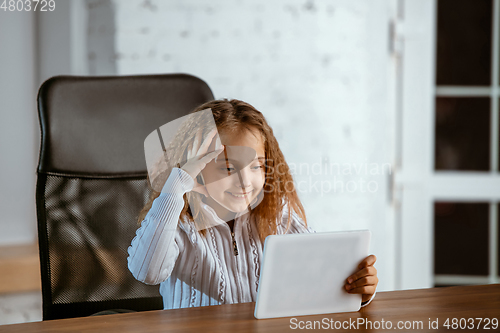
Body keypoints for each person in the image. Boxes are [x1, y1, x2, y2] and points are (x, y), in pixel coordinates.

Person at [127, 98, 378, 310]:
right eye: (228, 167)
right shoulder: (180, 224)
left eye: (257, 165)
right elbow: (147, 271)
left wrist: (357, 289)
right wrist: (179, 182)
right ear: (197, 171)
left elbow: (320, 277)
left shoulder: (276, 218)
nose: (245, 181)